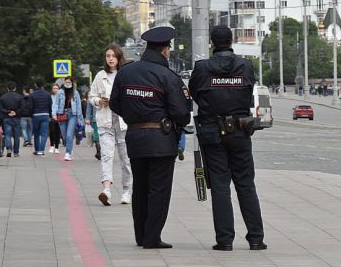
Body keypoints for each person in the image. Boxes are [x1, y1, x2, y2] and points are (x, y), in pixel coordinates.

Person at [110, 26, 191, 249]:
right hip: (161, 140)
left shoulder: (126, 72)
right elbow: (182, 114)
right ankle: (152, 237)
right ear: (165, 50)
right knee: (159, 190)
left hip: (135, 136)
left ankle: (141, 235)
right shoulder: (168, 76)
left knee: (141, 188)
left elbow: (115, 103)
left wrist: (133, 116)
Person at [189, 25, 266, 252]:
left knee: (221, 185)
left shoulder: (202, 69)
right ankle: (256, 238)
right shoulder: (245, 66)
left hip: (212, 132)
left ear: (212, 43)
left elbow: (195, 93)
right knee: (245, 183)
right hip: (240, 131)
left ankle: (225, 240)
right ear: (231, 41)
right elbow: (249, 90)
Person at [90, 44, 133, 206]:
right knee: (107, 156)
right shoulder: (100, 75)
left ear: (118, 57)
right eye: (108, 56)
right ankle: (106, 190)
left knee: (125, 158)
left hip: (123, 122)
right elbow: (92, 95)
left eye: (113, 56)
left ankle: (126, 190)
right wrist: (99, 101)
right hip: (105, 120)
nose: (110, 59)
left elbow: (130, 96)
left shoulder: (125, 74)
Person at [52, 77, 84, 161]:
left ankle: (68, 153)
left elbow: (78, 106)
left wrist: (79, 118)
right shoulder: (60, 92)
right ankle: (70, 148)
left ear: (72, 83)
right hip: (62, 114)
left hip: (72, 115)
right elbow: (55, 104)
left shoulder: (75, 92)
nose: (67, 83)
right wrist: (54, 114)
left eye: (69, 82)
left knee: (69, 135)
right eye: (66, 82)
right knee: (64, 136)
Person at [0, 82, 23, 157]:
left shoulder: (3, 97)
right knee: (16, 135)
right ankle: (16, 152)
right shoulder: (19, 97)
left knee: (7, 135)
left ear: (7, 88)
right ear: (15, 88)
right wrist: (15, 112)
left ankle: (9, 149)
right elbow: (22, 108)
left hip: (7, 118)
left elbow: (0, 108)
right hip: (16, 118)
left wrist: (8, 112)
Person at [29, 80, 52, 156]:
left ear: (35, 85)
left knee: (36, 134)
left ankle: (37, 149)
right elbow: (50, 105)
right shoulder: (48, 94)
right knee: (44, 134)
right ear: (43, 85)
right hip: (45, 115)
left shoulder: (32, 95)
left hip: (36, 115)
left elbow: (31, 107)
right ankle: (41, 151)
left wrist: (31, 115)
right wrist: (50, 115)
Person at [85, 94, 101, 160]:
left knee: (98, 136)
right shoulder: (91, 99)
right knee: (97, 136)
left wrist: (88, 119)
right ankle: (99, 152)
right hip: (95, 120)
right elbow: (88, 110)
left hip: (102, 120)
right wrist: (87, 119)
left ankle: (99, 153)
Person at [48, 83, 62, 154]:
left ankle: (56, 147)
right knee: (52, 130)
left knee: (58, 131)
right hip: (51, 115)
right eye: (54, 88)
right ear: (52, 89)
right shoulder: (50, 97)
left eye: (57, 88)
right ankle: (51, 145)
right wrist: (52, 115)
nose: (56, 90)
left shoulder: (61, 97)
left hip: (59, 115)